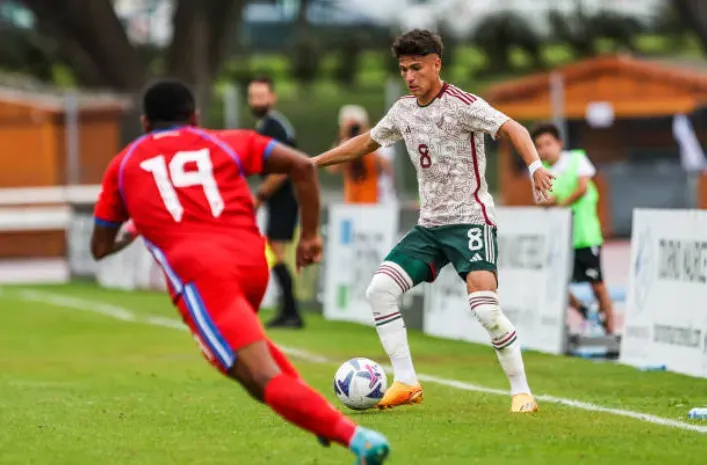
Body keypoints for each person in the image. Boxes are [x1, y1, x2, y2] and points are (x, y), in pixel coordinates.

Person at [90, 80, 391, 464]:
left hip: (204, 276)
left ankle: (355, 438)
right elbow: (301, 165)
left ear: (145, 122)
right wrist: (310, 236)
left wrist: (131, 232)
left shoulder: (124, 163)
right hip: (252, 263)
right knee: (250, 364)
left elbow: (100, 248)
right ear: (195, 117)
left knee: (255, 374)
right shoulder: (226, 141)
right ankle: (319, 418)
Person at [312, 29, 554, 413]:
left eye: (417, 67)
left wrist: (536, 166)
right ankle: (407, 382)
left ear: (436, 64)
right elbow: (367, 142)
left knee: (486, 311)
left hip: (471, 220)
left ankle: (521, 391)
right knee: (379, 290)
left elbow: (514, 128)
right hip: (429, 227)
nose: (410, 76)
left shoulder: (463, 104)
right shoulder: (403, 111)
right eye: (404, 69)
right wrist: (313, 163)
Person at [530, 123, 616, 335]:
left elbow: (582, 187)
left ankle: (611, 328)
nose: (544, 150)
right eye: (538, 146)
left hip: (585, 235)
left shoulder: (577, 159)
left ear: (559, 143)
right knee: (559, 284)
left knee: (597, 284)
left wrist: (560, 204)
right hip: (561, 239)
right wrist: (552, 201)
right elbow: (542, 199)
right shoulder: (542, 173)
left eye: (548, 143)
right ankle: (586, 313)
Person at [247, 76, 304, 329]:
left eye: (261, 96)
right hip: (278, 199)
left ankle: (291, 312)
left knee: (276, 252)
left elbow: (284, 167)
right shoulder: (265, 125)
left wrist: (260, 195)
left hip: (285, 197)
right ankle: (287, 309)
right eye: (253, 96)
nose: (256, 101)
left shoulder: (275, 126)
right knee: (272, 251)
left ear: (272, 97)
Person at [328, 105, 393, 204]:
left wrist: (366, 141)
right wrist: (343, 142)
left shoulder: (376, 140)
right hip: (352, 201)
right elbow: (333, 169)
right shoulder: (344, 144)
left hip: (376, 202)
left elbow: (387, 168)